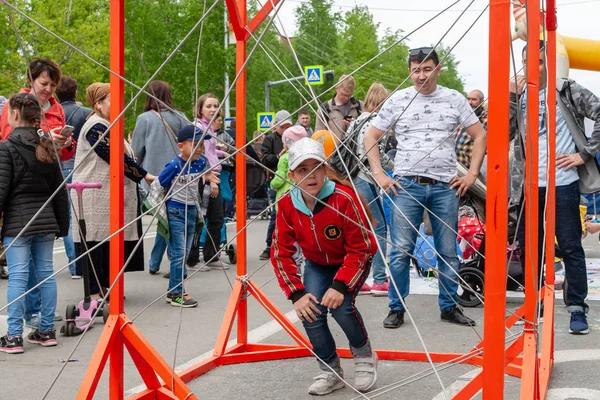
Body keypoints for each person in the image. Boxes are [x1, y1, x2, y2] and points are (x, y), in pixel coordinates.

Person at [364, 47, 487, 328]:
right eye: (416, 70)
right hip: (405, 185)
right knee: (400, 250)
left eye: (426, 68)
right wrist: (379, 173)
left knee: (448, 250)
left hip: (445, 187)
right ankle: (396, 307)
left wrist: (472, 174)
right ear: (410, 71)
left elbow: (480, 135)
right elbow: (371, 135)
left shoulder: (454, 99)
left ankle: (449, 306)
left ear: (438, 68)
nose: (421, 75)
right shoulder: (399, 100)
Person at [271, 137, 378, 395]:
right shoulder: (286, 204)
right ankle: (329, 369)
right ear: (291, 174)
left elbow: (363, 247)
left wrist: (340, 285)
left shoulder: (344, 198)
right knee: (310, 311)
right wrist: (295, 293)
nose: (311, 175)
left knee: (341, 308)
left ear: (325, 169)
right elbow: (280, 252)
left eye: (316, 167)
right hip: (318, 263)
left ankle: (364, 356)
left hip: (350, 260)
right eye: (302, 169)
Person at [509, 40, 600, 335]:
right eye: (527, 63)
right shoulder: (521, 94)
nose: (532, 68)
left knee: (571, 246)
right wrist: (511, 95)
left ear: (549, 62)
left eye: (538, 62)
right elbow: (504, 131)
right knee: (529, 246)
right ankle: (534, 302)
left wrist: (584, 153)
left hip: (563, 183)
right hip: (530, 185)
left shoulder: (566, 89)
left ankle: (576, 307)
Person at [0, 58, 74, 326]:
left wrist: (63, 143)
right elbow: (11, 137)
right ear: (31, 80)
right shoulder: (16, 106)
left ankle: (17, 330)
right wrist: (44, 139)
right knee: (41, 270)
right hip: (34, 202)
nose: (49, 89)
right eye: (44, 83)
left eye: (53, 85)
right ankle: (43, 326)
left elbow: (61, 167)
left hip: (28, 208)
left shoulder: (55, 109)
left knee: (24, 272)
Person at [72, 83, 155, 299]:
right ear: (98, 104)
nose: (120, 105)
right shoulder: (96, 126)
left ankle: (106, 287)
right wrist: (144, 174)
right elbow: (114, 155)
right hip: (94, 196)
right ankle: (96, 292)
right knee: (97, 243)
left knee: (108, 243)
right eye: (113, 100)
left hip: (107, 195)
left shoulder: (108, 124)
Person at [130, 80, 188, 275]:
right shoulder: (180, 117)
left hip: (154, 178)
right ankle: (165, 263)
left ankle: (162, 263)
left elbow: (136, 150)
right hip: (178, 175)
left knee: (166, 218)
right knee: (169, 217)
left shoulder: (144, 119)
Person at [158, 125, 216, 307]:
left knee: (185, 251)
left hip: (192, 210)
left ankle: (173, 290)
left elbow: (206, 170)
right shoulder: (174, 165)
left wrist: (209, 177)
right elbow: (161, 182)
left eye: (201, 145)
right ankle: (177, 293)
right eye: (195, 144)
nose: (199, 149)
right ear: (181, 146)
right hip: (176, 211)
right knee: (179, 253)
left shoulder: (200, 162)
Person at [349, 82, 394, 296]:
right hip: (367, 179)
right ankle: (378, 279)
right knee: (378, 229)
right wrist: (396, 165)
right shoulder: (378, 124)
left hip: (351, 179)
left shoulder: (357, 120)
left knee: (360, 230)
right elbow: (376, 154)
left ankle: (358, 278)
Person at [55, 75, 93, 279]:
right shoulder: (86, 113)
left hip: (60, 167)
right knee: (80, 217)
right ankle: (81, 263)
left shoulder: (53, 113)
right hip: (82, 167)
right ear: (75, 92)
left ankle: (74, 264)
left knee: (68, 217)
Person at [191, 93, 225, 268]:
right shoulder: (198, 128)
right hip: (204, 178)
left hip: (213, 176)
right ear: (200, 109)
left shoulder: (209, 128)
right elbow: (199, 155)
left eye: (215, 106)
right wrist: (210, 180)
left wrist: (222, 152)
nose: (213, 109)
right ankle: (193, 259)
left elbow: (210, 151)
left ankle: (212, 257)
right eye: (209, 106)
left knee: (216, 218)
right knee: (201, 218)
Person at [259, 110, 292, 260]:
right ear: (277, 125)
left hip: (292, 180)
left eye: (288, 126)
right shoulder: (270, 139)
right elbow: (265, 159)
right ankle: (268, 245)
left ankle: (290, 244)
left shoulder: (293, 137)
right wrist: (279, 156)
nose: (286, 130)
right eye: (283, 126)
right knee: (276, 213)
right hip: (276, 181)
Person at [315, 75, 362, 140]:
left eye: (350, 95)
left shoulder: (359, 106)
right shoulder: (325, 108)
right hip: (333, 148)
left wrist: (356, 123)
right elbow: (318, 136)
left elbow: (367, 129)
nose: (347, 98)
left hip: (354, 148)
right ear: (337, 88)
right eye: (344, 94)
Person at [456, 89, 488, 169]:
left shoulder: (487, 120)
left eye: (474, 99)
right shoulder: (460, 117)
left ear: (482, 101)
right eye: (468, 99)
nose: (470, 102)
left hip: (471, 169)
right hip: (454, 166)